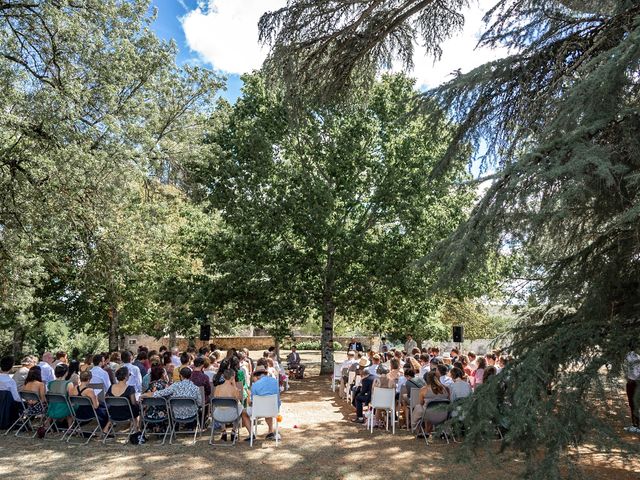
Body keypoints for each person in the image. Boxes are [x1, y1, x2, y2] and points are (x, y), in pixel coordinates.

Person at [241, 366, 281, 442]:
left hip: (258, 411)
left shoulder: (255, 385)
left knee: (243, 412)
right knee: (268, 407)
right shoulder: (275, 382)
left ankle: (251, 434)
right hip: (273, 409)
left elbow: (251, 403)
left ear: (257, 376)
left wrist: (249, 396)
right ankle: (270, 431)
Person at [213, 369, 244, 441]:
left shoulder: (217, 387)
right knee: (241, 407)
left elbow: (215, 400)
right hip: (231, 415)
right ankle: (233, 431)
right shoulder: (234, 389)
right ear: (233, 377)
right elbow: (238, 400)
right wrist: (234, 386)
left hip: (218, 415)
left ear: (224, 377)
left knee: (220, 407)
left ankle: (223, 432)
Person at [46, 363, 75, 428]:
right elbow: (71, 398)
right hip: (64, 410)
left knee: (56, 403)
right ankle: (70, 427)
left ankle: (47, 424)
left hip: (51, 409)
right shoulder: (69, 384)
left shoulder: (50, 383)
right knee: (74, 405)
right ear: (66, 373)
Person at [624, 351, 640, 433]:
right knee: (632, 403)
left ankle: (637, 426)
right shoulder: (629, 353)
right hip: (631, 382)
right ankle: (635, 425)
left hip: (637, 382)